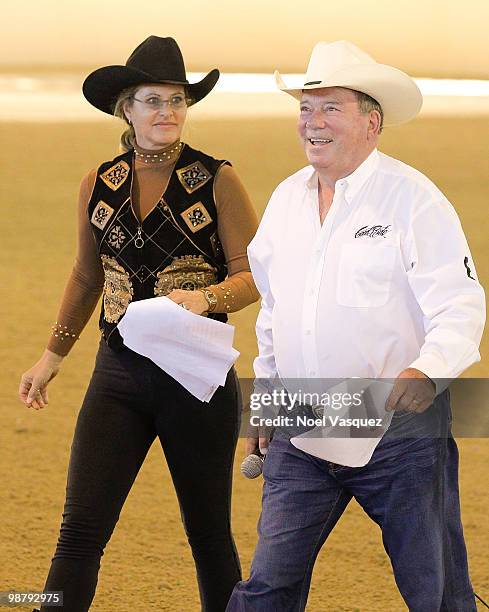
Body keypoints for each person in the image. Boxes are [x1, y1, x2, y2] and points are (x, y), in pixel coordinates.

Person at [226, 40, 486, 611]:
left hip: (398, 427)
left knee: (436, 591)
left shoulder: (414, 199)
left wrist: (428, 369)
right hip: (300, 421)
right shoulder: (284, 201)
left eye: (330, 108)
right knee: (268, 587)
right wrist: (266, 402)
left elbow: (461, 303)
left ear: (371, 123)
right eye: (305, 108)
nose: (313, 123)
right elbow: (274, 312)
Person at [18, 35, 259, 612]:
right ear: (126, 108)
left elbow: (254, 276)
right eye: (153, 100)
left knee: (208, 536)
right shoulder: (97, 184)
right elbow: (85, 277)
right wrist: (52, 355)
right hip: (118, 377)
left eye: (176, 100)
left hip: (196, 379)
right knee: (79, 533)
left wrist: (208, 298)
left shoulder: (217, 179)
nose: (167, 112)